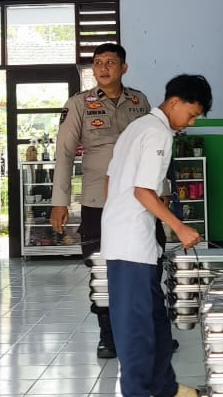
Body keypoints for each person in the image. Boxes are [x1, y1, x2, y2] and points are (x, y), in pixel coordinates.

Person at [102, 74, 212, 397]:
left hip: (134, 242)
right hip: (130, 246)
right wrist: (179, 226)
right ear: (175, 102)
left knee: (156, 323)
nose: (189, 123)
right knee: (137, 332)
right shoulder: (158, 132)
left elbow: (113, 184)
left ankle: (166, 389)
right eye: (191, 114)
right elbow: (141, 191)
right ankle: (137, 392)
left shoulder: (134, 129)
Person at [51, 43, 151, 359]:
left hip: (139, 200)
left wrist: (161, 188)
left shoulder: (140, 101)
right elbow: (64, 154)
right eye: (98, 63)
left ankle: (146, 334)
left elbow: (153, 148)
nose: (103, 68)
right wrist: (59, 201)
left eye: (111, 62)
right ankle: (108, 337)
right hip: (98, 201)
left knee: (147, 266)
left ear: (124, 68)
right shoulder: (79, 104)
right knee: (101, 269)